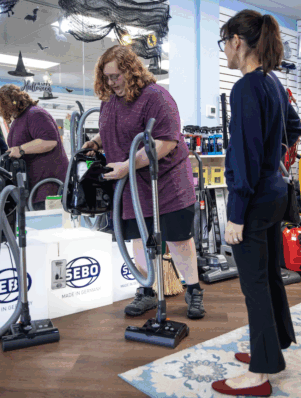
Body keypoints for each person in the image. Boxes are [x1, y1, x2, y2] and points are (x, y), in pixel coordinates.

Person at [212, 10, 301, 396]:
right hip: (274, 194)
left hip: (253, 200)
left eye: (224, 43)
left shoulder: (247, 87)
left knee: (255, 285)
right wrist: (277, 158)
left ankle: (261, 371)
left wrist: (235, 214)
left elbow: (244, 156)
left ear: (237, 41)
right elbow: (295, 127)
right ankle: (275, 344)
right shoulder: (273, 83)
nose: (225, 52)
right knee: (267, 277)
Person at [82, 45, 205, 319]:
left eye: (116, 76)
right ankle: (147, 290)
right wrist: (96, 142)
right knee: (139, 238)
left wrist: (127, 165)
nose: (112, 82)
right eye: (107, 77)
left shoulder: (156, 98)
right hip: (131, 186)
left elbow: (166, 141)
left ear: (130, 70)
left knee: (178, 240)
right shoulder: (110, 99)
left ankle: (194, 290)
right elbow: (111, 128)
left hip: (166, 183)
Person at [0, 85, 70, 210]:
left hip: (48, 186)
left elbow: (49, 141)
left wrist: (20, 149)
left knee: (47, 225)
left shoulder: (35, 114)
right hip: (33, 186)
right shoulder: (20, 118)